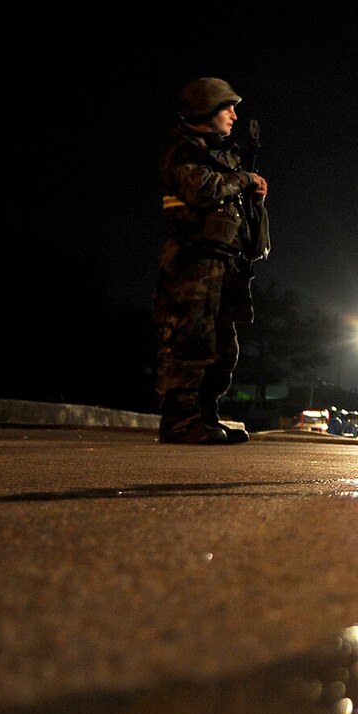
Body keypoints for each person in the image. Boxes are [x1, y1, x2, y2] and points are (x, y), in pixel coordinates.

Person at [154, 77, 269, 444]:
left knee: (223, 348)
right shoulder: (183, 149)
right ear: (206, 110)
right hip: (194, 265)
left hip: (223, 264)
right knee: (192, 341)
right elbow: (203, 189)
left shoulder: (220, 153)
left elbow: (231, 200)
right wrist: (243, 179)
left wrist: (252, 190)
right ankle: (180, 420)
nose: (234, 115)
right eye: (227, 107)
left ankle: (204, 415)